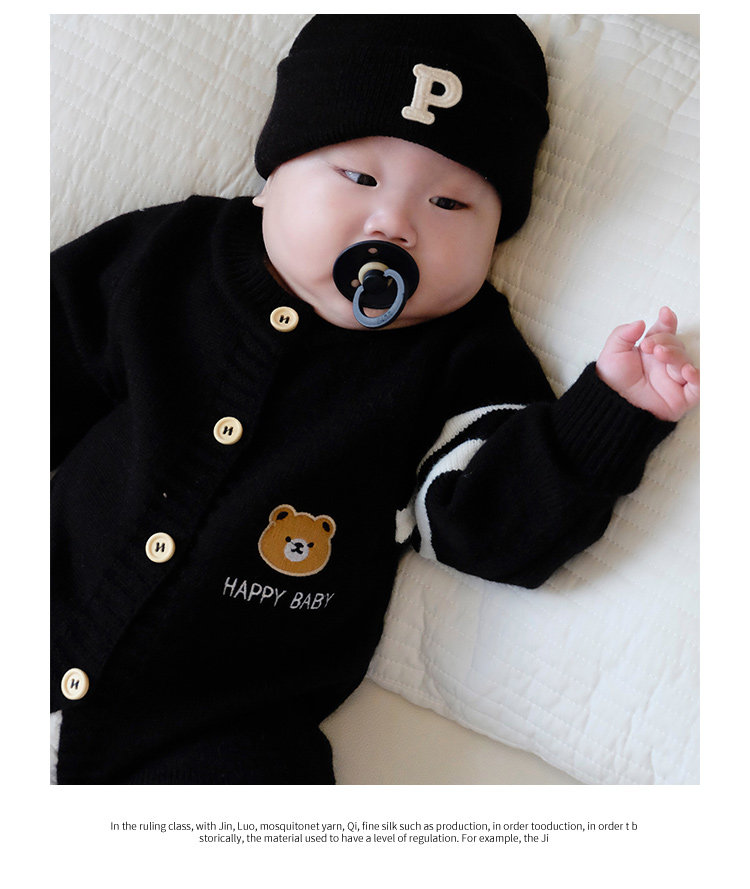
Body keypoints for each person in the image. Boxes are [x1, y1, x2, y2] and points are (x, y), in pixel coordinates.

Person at [50, 14, 699, 784]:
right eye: (359, 179)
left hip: (226, 723)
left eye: (449, 204)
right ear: (274, 177)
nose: (394, 223)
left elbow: (492, 526)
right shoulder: (172, 258)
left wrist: (610, 414)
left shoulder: (465, 355)